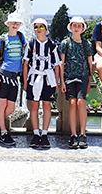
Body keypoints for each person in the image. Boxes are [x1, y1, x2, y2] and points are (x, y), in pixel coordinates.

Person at [23, 18, 61, 149]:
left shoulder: (52, 45)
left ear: (46, 29)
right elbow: (26, 63)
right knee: (34, 106)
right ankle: (35, 133)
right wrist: (25, 81)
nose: (38, 29)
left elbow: (57, 65)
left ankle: (44, 134)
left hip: (48, 79)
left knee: (46, 106)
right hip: (34, 78)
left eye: (41, 27)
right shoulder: (31, 44)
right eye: (36, 27)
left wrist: (56, 82)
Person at [59, 16, 93, 149]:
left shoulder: (87, 44)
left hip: (83, 76)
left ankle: (83, 134)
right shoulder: (65, 43)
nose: (77, 28)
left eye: (79, 26)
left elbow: (90, 63)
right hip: (69, 77)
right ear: (71, 27)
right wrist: (61, 81)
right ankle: (73, 135)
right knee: (72, 103)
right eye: (75, 25)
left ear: (83, 28)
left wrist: (89, 80)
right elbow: (61, 64)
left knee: (81, 102)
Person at [0, 13, 26, 146]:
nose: (15, 24)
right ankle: (3, 132)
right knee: (2, 105)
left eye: (17, 23)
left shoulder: (21, 37)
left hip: (14, 77)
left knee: (11, 108)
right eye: (13, 22)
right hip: (3, 74)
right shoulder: (2, 39)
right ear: (8, 24)